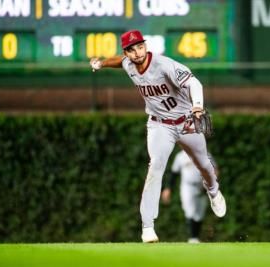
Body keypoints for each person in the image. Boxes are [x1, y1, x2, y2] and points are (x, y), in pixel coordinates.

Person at [90, 29, 226, 243]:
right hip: (159, 126)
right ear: (127, 52)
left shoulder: (164, 65)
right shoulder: (128, 63)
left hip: (186, 122)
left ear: (145, 45)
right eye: (131, 49)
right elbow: (119, 62)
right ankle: (147, 226)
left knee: (204, 165)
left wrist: (198, 106)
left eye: (140, 46)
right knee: (155, 167)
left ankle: (213, 191)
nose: (137, 52)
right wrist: (102, 63)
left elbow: (194, 83)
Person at [161, 150, 218, 243]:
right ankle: (193, 238)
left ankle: (195, 237)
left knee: (200, 213)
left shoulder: (205, 154)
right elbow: (174, 174)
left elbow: (215, 170)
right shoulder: (180, 156)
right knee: (190, 210)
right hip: (187, 186)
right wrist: (168, 188)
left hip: (202, 186)